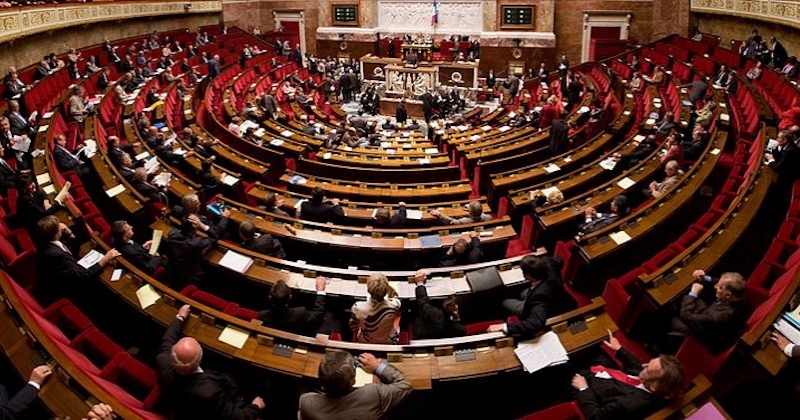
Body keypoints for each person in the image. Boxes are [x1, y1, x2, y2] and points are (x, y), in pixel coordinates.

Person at [155, 304, 265, 419]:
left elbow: (167, 339)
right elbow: (236, 416)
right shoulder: (210, 392)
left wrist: (180, 317)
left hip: (177, 405)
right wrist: (255, 406)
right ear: (200, 358)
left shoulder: (162, 361)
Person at [571, 330, 686, 419]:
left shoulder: (627, 404)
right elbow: (637, 365)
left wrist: (583, 389)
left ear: (654, 386)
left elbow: (595, 417)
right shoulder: (657, 384)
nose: (643, 365)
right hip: (610, 373)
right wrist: (619, 348)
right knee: (592, 346)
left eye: (647, 370)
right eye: (649, 363)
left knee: (566, 363)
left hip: (590, 385)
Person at [298, 351, 412, 420]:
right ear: (352, 381)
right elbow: (406, 384)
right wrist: (377, 366)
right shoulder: (373, 395)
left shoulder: (306, 403)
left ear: (321, 383)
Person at [488, 255, 578, 339]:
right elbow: (559, 260)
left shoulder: (539, 297)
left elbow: (535, 323)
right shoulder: (548, 262)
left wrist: (504, 326)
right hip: (559, 295)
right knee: (523, 293)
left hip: (554, 307)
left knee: (505, 302)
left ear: (529, 276)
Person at [36, 216, 120, 305]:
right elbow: (84, 275)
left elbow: (74, 250)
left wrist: (69, 233)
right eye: (58, 225)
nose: (61, 225)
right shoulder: (56, 254)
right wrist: (106, 258)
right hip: (68, 291)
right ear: (56, 233)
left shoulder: (49, 243)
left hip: (68, 276)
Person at [667, 270, 749, 353]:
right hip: (711, 317)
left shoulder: (719, 316)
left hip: (706, 337)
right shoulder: (739, 294)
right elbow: (722, 283)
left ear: (728, 295)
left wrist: (693, 293)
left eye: (719, 287)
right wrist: (704, 277)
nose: (715, 286)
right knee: (692, 300)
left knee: (670, 316)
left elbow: (686, 316)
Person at [258, 278, 331, 335]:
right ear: (290, 297)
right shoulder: (301, 313)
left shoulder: (262, 315)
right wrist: (320, 290)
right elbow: (317, 315)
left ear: (270, 298)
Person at [349, 273, 401, 344]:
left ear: (368, 290)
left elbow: (353, 327)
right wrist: (387, 287)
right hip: (388, 342)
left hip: (365, 342)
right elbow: (394, 295)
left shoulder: (357, 308)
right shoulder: (395, 305)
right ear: (386, 291)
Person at [413, 270, 465, 339]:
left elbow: (422, 302)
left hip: (424, 334)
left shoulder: (436, 314)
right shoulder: (460, 329)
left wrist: (420, 283)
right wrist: (455, 318)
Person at [164, 218, 215, 287]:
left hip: (173, 269)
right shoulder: (194, 243)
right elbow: (214, 237)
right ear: (194, 230)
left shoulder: (172, 234)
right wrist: (201, 225)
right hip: (190, 274)